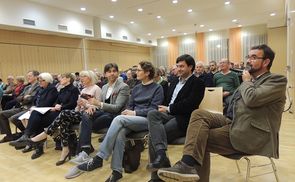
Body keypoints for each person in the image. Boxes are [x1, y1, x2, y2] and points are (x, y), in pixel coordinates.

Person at [157, 44, 287, 182]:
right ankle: (187, 165)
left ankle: (188, 166)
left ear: (266, 62)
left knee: (201, 139)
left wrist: (247, 81)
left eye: (254, 57)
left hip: (252, 134)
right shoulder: (250, 80)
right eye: (248, 57)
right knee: (198, 113)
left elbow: (252, 99)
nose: (249, 60)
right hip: (233, 122)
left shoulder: (276, 80)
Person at [65, 61, 164, 182]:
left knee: (118, 118)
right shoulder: (137, 88)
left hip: (147, 119)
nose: (135, 72)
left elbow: (153, 110)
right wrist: (128, 112)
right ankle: (117, 171)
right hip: (132, 119)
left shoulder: (157, 88)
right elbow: (130, 105)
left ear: (147, 72)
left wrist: (133, 113)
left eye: (138, 70)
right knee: (120, 133)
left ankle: (99, 158)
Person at [146, 54, 205, 182]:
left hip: (184, 118)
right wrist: (164, 108)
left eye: (182, 66)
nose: (178, 69)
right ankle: (162, 160)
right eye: (177, 66)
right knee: (152, 114)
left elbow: (190, 104)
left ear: (190, 67)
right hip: (168, 114)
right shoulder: (173, 81)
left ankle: (157, 176)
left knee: (153, 136)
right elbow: (167, 101)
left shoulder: (198, 83)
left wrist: (168, 109)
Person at [28, 70, 101, 165]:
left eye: (84, 76)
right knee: (64, 120)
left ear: (90, 78)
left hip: (89, 115)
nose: (81, 78)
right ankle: (65, 149)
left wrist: (87, 106)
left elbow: (99, 105)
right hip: (79, 113)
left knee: (64, 113)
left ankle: (46, 134)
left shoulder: (96, 88)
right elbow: (77, 107)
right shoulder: (83, 90)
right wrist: (78, 106)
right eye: (81, 76)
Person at [71, 63, 129, 164]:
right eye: (109, 72)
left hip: (115, 116)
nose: (112, 74)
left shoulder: (123, 87)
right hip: (104, 113)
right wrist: (92, 107)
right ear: (105, 74)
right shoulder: (105, 87)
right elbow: (99, 105)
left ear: (118, 73)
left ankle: (84, 152)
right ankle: (85, 150)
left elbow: (116, 108)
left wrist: (97, 104)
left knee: (85, 123)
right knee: (86, 114)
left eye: (114, 71)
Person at [0, 71, 40, 143]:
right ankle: (9, 136)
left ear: (36, 77)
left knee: (14, 118)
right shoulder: (27, 87)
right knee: (2, 114)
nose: (28, 77)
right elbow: (18, 98)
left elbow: (31, 99)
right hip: (22, 107)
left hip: (30, 109)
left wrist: (23, 99)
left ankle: (26, 134)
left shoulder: (38, 86)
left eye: (30, 76)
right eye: (27, 76)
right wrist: (24, 98)